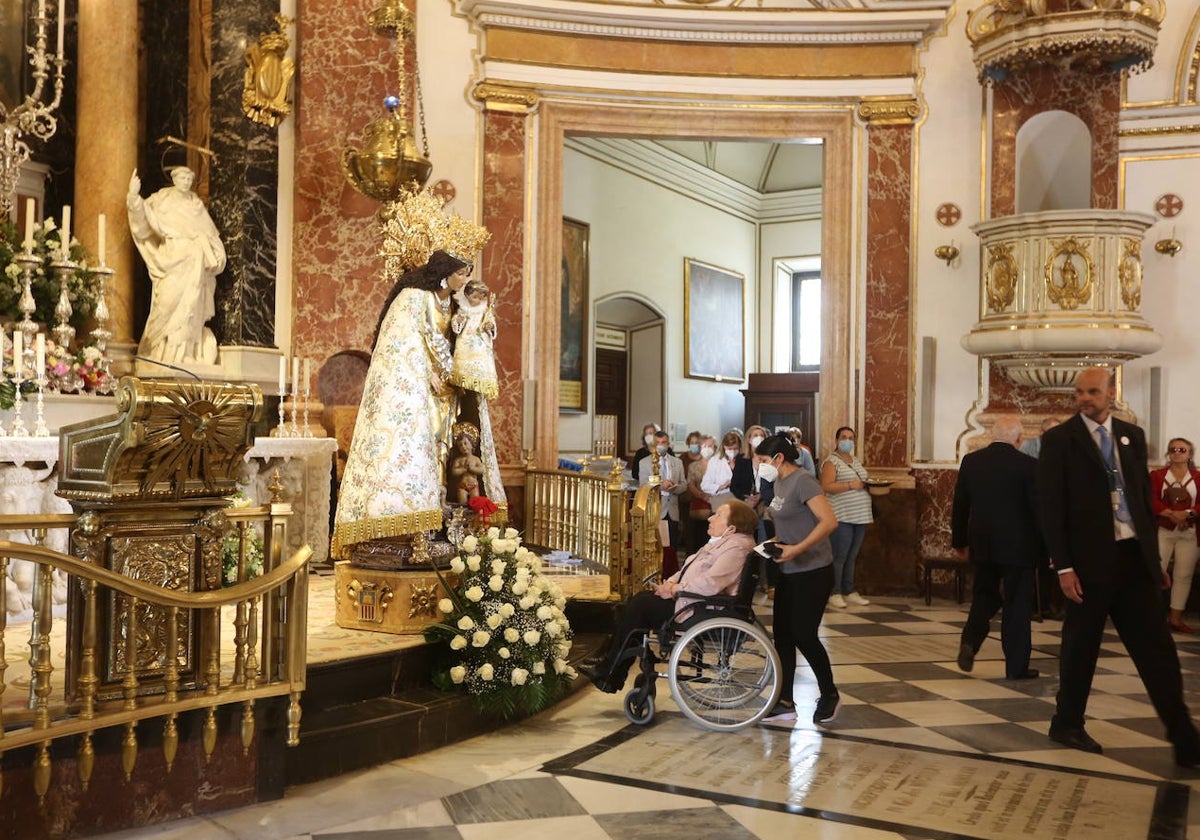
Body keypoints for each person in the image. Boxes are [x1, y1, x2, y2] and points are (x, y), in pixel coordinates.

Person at [1037, 366, 1200, 766]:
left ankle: (1184, 738)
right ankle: (1067, 722)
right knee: (1081, 647)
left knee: (1156, 650)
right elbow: (1050, 509)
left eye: (1093, 391)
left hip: (1132, 559)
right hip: (1088, 564)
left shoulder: (1132, 436)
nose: (1084, 398)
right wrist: (1063, 567)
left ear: (1111, 393)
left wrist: (1150, 559)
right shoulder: (1060, 440)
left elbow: (1142, 502)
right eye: (1080, 392)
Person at [332, 250, 473, 558]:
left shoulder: (450, 303)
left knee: (437, 450)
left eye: (468, 273)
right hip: (415, 387)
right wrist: (436, 372)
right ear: (444, 271)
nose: (466, 279)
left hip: (439, 391)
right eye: (461, 272)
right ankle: (397, 525)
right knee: (406, 447)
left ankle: (430, 515)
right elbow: (408, 344)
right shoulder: (413, 298)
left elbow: (447, 340)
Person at [580, 500, 758, 693]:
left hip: (703, 608)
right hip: (692, 600)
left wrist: (675, 589)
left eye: (718, 515)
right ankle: (610, 664)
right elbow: (688, 569)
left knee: (640, 607)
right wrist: (669, 584)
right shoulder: (722, 543)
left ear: (732, 528)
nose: (710, 518)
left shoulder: (736, 548)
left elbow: (711, 582)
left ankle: (610, 671)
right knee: (637, 602)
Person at [754, 433, 840, 725]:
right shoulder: (778, 482)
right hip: (789, 569)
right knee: (784, 637)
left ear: (779, 458)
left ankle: (829, 693)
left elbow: (829, 522)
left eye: (764, 461)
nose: (761, 466)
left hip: (813, 569)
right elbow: (791, 523)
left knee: (804, 633)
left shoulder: (803, 481)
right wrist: (776, 544)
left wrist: (797, 549)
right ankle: (786, 701)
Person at [951, 415, 1044, 680]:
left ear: (993, 435)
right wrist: (1049, 549)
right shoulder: (1029, 466)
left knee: (984, 595)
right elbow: (1039, 512)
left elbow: (960, 506)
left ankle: (970, 641)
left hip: (982, 544)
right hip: (1019, 548)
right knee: (1017, 605)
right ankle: (1016, 668)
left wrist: (960, 542)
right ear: (1018, 439)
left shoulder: (972, 461)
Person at [127, 166, 225, 365]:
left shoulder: (196, 205)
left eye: (190, 178)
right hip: (172, 259)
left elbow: (211, 235)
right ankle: (157, 349)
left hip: (195, 264)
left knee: (191, 309)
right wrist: (134, 197)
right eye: (183, 177)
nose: (186, 182)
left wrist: (218, 254)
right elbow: (143, 220)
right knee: (166, 304)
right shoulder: (162, 200)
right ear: (174, 179)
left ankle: (185, 352)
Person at [1151, 437, 1200, 634]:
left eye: (1182, 449)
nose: (1177, 452)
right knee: (1156, 571)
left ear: (1189, 454)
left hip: (1190, 531)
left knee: (1184, 574)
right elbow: (1151, 498)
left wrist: (1187, 514)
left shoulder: (1197, 477)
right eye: (1173, 449)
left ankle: (1175, 618)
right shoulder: (1157, 475)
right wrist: (1171, 514)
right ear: (1168, 454)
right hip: (1164, 529)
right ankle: (1152, 616)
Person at [820, 426, 873, 608]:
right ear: (836, 441)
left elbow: (862, 480)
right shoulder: (831, 462)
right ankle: (834, 592)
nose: (847, 440)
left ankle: (849, 590)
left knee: (852, 555)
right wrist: (850, 485)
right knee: (840, 556)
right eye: (844, 437)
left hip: (860, 516)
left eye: (851, 438)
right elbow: (826, 486)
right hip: (842, 515)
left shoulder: (855, 460)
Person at [638, 430, 686, 549]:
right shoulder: (644, 463)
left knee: (672, 546)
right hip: (656, 510)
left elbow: (684, 485)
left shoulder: (677, 462)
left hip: (672, 510)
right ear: (653, 444)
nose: (661, 445)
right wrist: (660, 486)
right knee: (657, 547)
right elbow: (643, 485)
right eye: (658, 442)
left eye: (663, 442)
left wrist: (674, 487)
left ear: (668, 444)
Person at [701, 429, 742, 511]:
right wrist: (721, 486)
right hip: (721, 498)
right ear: (724, 447)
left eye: (735, 448)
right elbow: (705, 485)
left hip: (740, 498)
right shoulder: (715, 461)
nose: (733, 451)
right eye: (729, 449)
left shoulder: (744, 460)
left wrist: (735, 471)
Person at [447, 422, 485, 504]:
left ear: (472, 445)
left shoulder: (475, 459)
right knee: (462, 502)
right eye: (460, 445)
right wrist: (464, 469)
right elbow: (454, 471)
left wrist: (472, 469)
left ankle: (474, 514)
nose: (463, 447)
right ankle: (463, 514)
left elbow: (481, 469)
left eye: (465, 443)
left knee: (475, 501)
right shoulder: (458, 460)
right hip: (462, 486)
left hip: (473, 486)